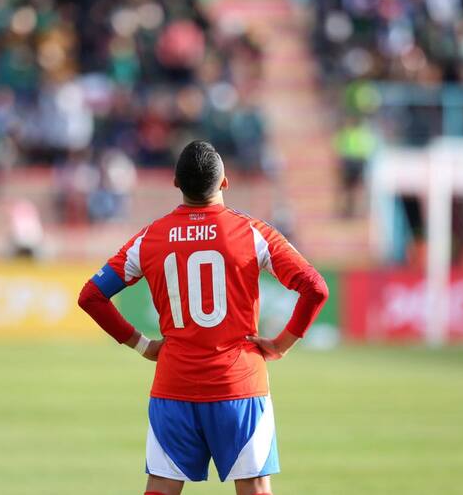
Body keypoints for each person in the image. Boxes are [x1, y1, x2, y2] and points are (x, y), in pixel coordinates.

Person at [77, 141, 329, 495]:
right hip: (240, 384)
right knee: (255, 487)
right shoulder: (252, 233)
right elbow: (315, 288)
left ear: (176, 183)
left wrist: (141, 344)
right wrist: (281, 343)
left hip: (174, 385)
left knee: (162, 486)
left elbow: (91, 296)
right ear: (224, 182)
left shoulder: (150, 237)